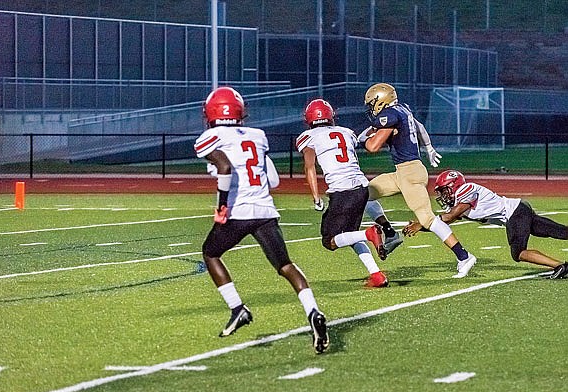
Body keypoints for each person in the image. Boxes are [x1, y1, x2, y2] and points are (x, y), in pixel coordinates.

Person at [194, 87, 329, 354]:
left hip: (239, 211)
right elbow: (274, 180)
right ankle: (313, 310)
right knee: (285, 265)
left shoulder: (210, 137)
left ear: (211, 112)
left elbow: (224, 168)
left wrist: (222, 205)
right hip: (266, 210)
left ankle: (237, 308)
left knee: (210, 253)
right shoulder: (257, 136)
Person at [361, 82, 477, 278]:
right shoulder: (403, 109)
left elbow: (372, 147)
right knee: (363, 194)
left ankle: (464, 257)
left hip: (410, 173)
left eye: (372, 103)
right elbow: (420, 126)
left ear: (381, 101)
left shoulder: (391, 114)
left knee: (427, 218)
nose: (371, 108)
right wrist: (429, 147)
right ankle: (389, 233)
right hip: (403, 172)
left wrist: (361, 139)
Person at [403, 170, 568, 278]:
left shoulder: (466, 189)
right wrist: (421, 226)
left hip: (515, 213)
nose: (443, 195)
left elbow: (448, 217)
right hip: (518, 211)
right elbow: (443, 224)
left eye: (444, 190)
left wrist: (420, 224)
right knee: (560, 232)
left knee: (519, 253)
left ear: (454, 186)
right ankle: (560, 266)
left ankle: (559, 266)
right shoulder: (458, 200)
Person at [296, 98, 388, 288]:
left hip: (342, 191)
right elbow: (359, 141)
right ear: (331, 116)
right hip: (362, 188)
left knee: (330, 241)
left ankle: (370, 233)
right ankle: (376, 275)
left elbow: (309, 166)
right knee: (350, 234)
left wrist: (315, 197)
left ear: (309, 119)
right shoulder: (346, 132)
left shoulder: (308, 137)